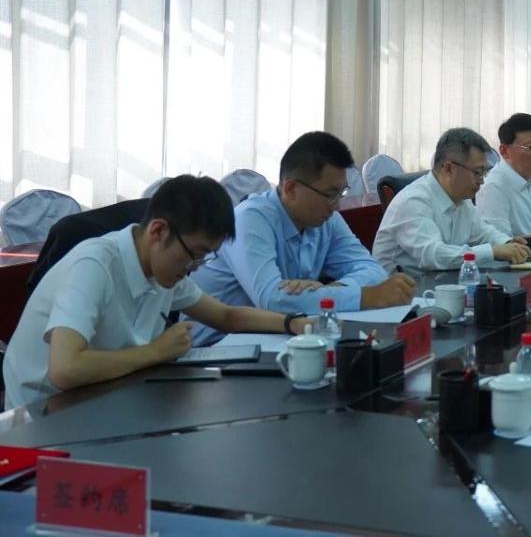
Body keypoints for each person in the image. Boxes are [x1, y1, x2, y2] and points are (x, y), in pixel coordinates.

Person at [3, 176, 315, 410]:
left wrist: (294, 323)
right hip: (45, 413)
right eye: (194, 254)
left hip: (105, 394)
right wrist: (156, 352)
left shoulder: (163, 268)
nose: (194, 267)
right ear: (158, 230)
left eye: (203, 258)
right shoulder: (95, 265)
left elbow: (226, 316)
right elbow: (65, 369)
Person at [190, 132, 413, 345]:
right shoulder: (250, 219)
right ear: (290, 188)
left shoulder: (326, 218)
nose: (336, 205)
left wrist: (333, 289)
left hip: (279, 338)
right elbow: (272, 300)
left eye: (341, 193)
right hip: (215, 350)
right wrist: (365, 297)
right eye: (329, 194)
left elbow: (373, 270)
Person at [372, 128, 531, 271]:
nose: (482, 181)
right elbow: (433, 255)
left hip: (440, 284)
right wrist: (493, 251)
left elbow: (483, 232)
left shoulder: (462, 199)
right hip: (403, 292)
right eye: (477, 172)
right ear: (449, 168)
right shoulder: (413, 201)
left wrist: (506, 243)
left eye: (484, 172)